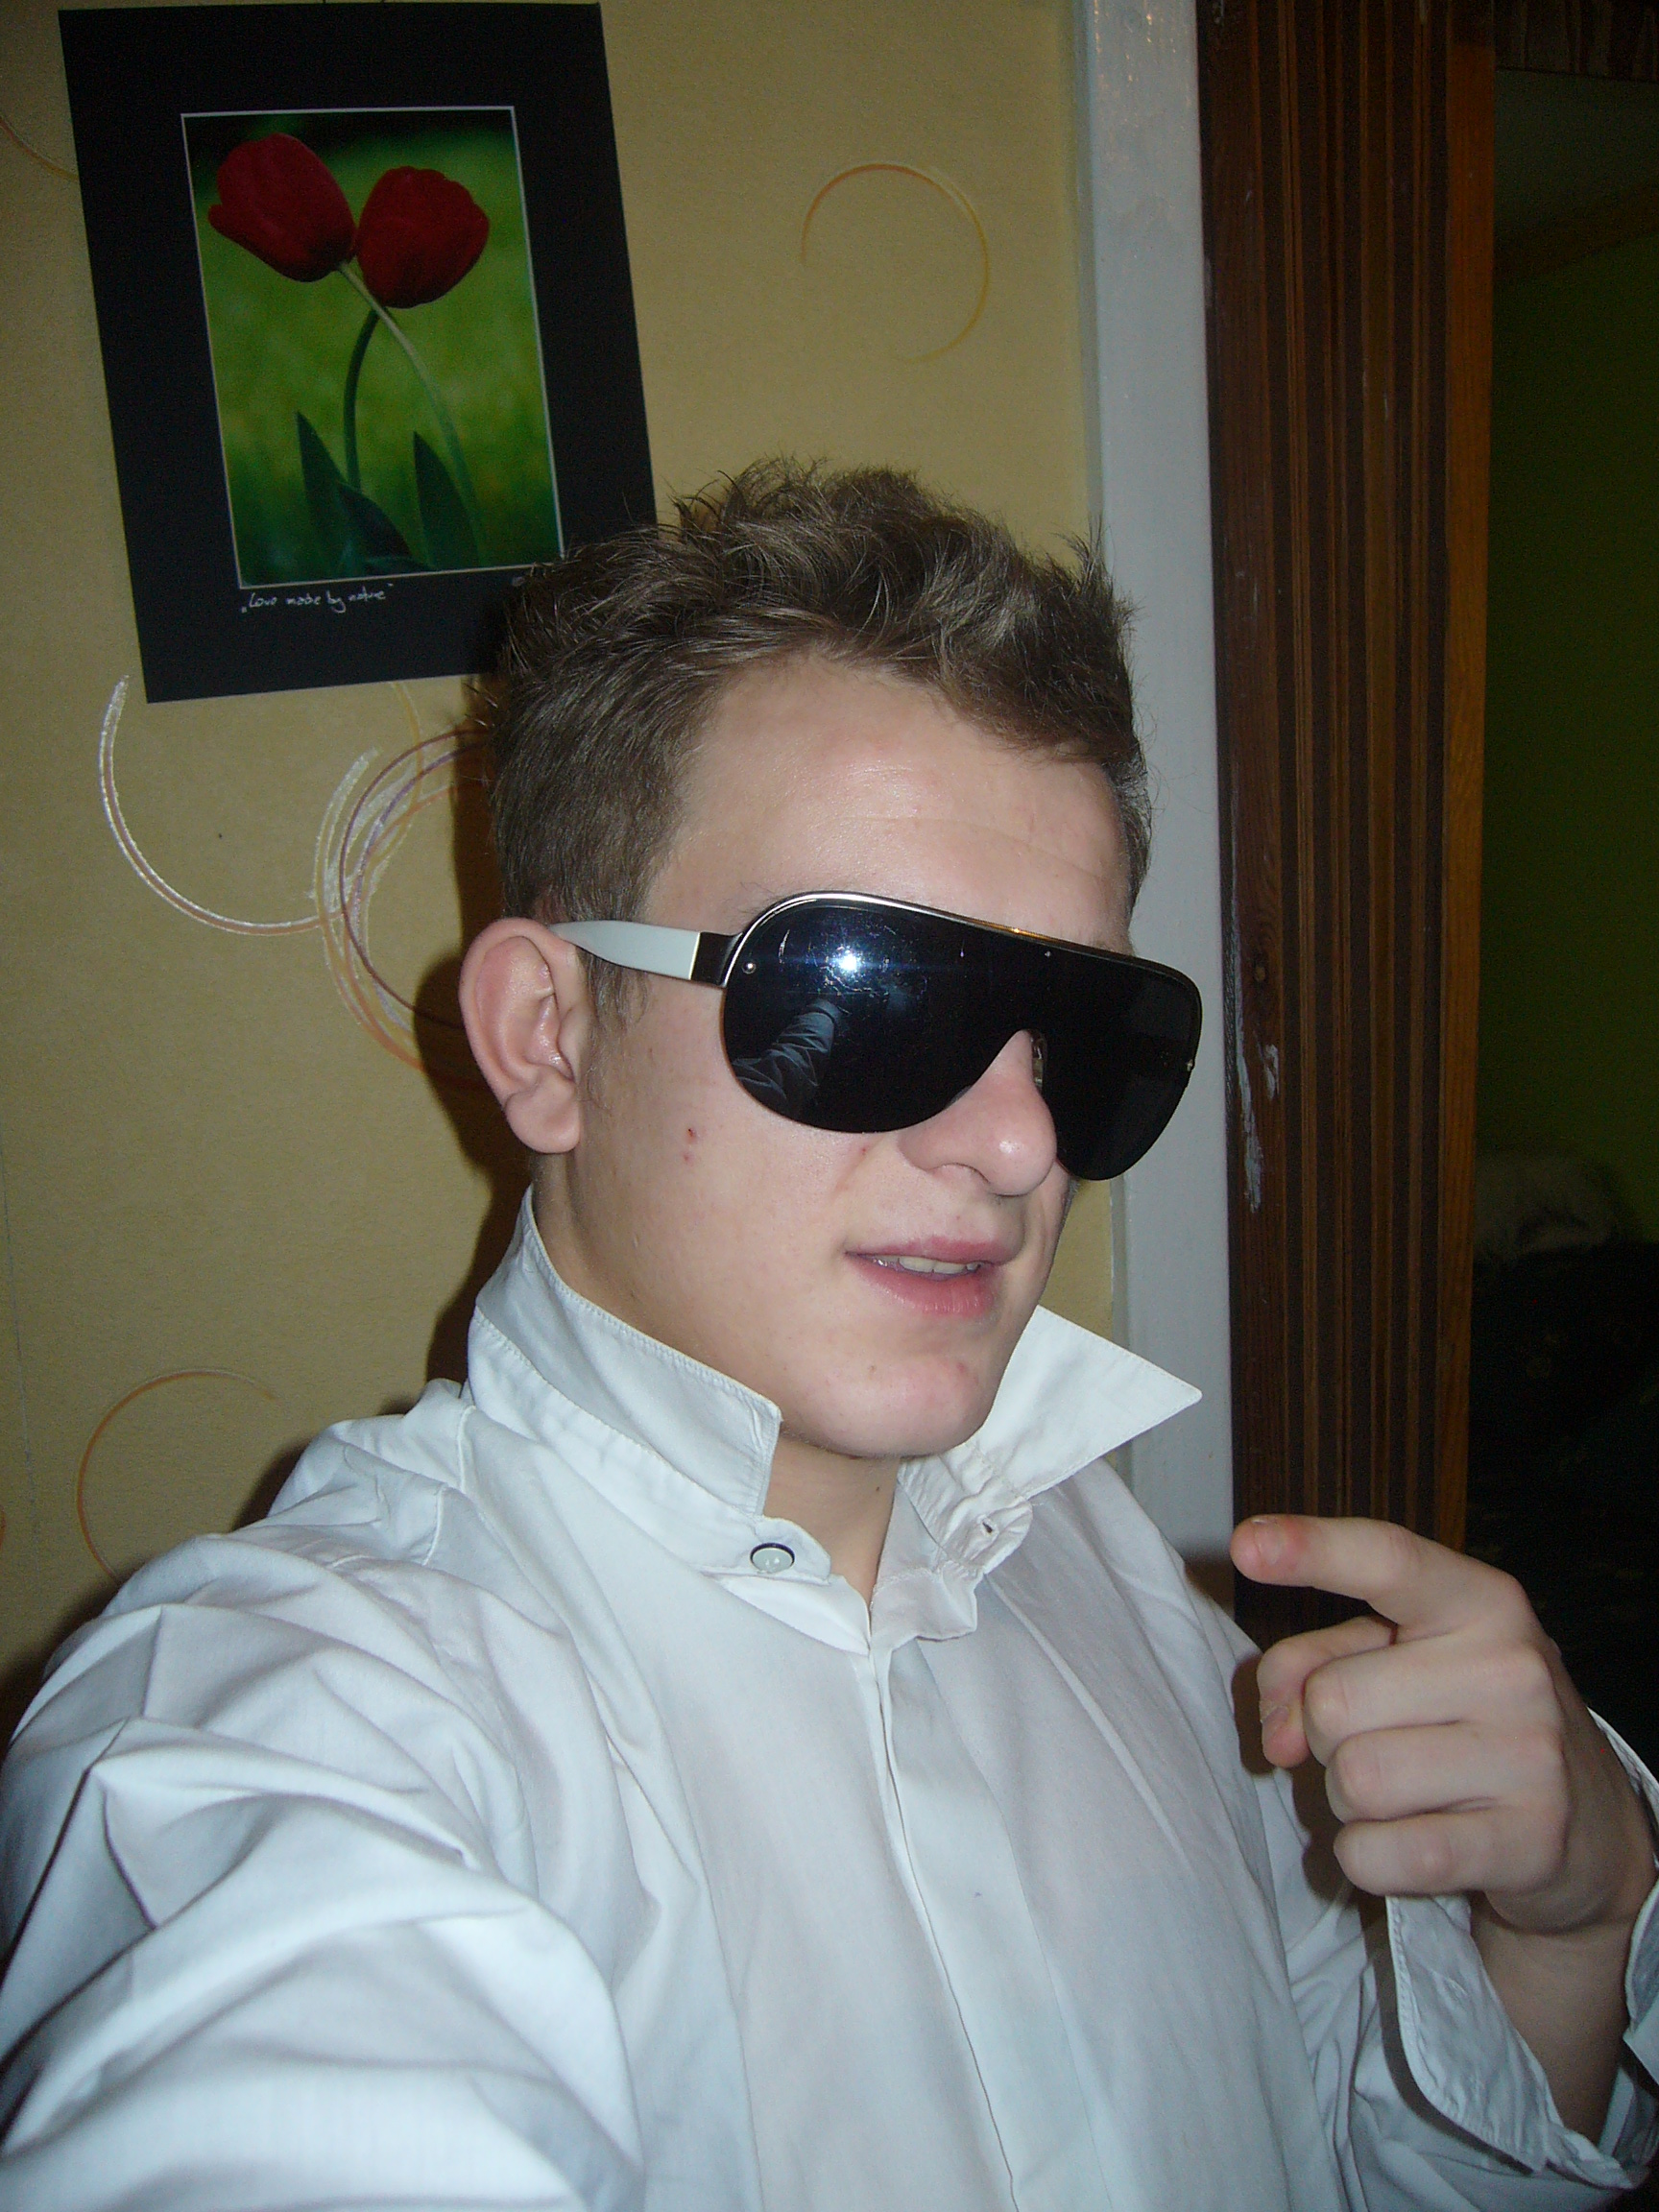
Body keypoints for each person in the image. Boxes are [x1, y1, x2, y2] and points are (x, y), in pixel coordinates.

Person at [0, 465, 1654, 2212]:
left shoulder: (1121, 1582)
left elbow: (1355, 2159)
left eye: (1085, 1034)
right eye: (866, 996)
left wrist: (1570, 1929)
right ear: (550, 1036)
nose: (1017, 1141)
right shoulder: (289, 1718)